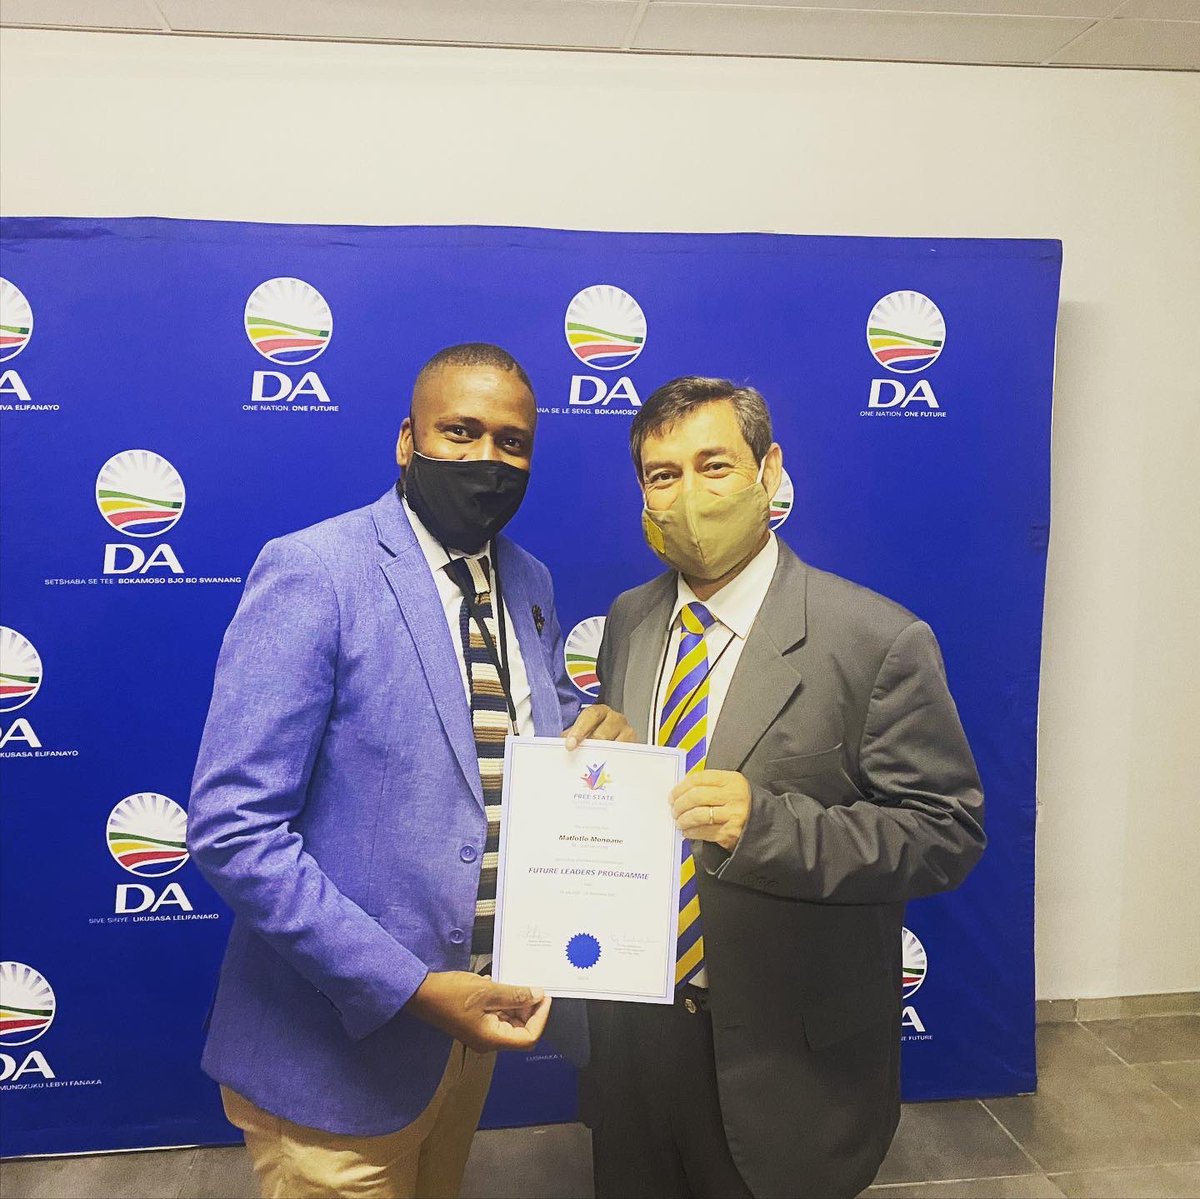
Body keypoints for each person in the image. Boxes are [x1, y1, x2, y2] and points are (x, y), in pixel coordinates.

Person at [188, 343, 632, 1199]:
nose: (486, 459)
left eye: (511, 442)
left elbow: (511, 730)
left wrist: (592, 728)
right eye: (460, 431)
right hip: (336, 1057)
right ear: (407, 440)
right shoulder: (316, 569)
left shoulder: (530, 582)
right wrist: (412, 987)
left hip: (467, 1040)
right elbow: (233, 831)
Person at [581, 376, 986, 1199]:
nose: (689, 495)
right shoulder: (629, 619)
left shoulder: (875, 638)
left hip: (787, 1063)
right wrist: (610, 764)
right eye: (663, 475)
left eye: (714, 465)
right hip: (635, 1042)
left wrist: (767, 827)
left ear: (769, 471)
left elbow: (947, 832)